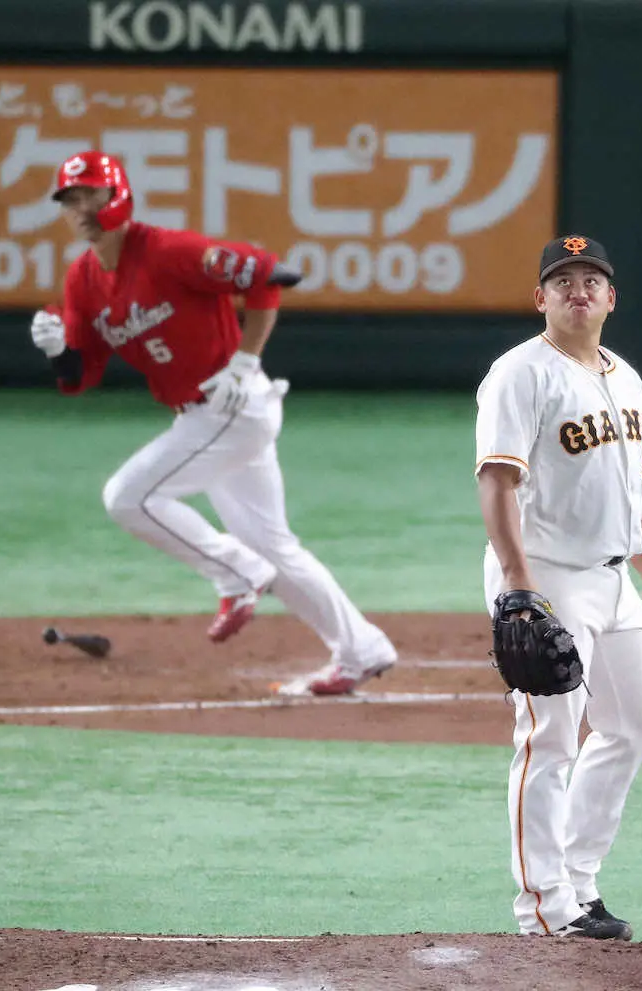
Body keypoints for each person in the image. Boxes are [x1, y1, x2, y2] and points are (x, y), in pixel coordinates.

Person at [30, 150, 396, 696]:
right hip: (209, 418)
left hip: (232, 406)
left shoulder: (168, 251)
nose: (81, 208)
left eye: (91, 195)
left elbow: (269, 274)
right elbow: (81, 376)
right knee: (274, 546)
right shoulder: (83, 278)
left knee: (128, 498)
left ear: (118, 195)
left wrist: (245, 359)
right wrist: (59, 350)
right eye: (70, 199)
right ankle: (360, 649)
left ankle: (236, 575)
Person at [474, 234, 642, 939]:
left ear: (611, 297)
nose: (578, 290)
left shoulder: (626, 378)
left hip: (614, 579)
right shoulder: (519, 374)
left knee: (634, 724)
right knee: (549, 739)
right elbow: (496, 481)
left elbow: (635, 489)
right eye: (563, 281)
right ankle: (541, 905)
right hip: (546, 574)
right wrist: (518, 585)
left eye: (591, 279)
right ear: (541, 299)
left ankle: (580, 882)